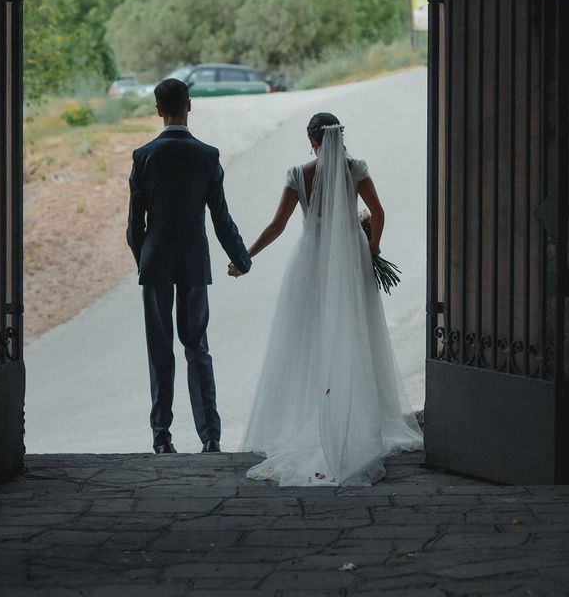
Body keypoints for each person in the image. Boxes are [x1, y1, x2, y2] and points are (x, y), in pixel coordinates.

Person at [229, 112, 422, 486]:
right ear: (340, 137)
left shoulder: (297, 175)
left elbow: (277, 226)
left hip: (313, 260)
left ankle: (312, 413)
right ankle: (354, 412)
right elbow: (378, 213)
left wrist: (244, 258)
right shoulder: (356, 169)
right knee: (355, 333)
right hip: (350, 258)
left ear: (312, 141)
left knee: (309, 339)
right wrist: (372, 247)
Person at [127, 77, 251, 454]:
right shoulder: (207, 156)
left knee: (160, 350)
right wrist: (241, 258)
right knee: (197, 347)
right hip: (194, 261)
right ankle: (210, 436)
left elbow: (134, 226)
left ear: (158, 111)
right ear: (189, 106)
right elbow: (221, 218)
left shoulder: (143, 156)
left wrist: (144, 261)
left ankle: (162, 437)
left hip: (156, 262)